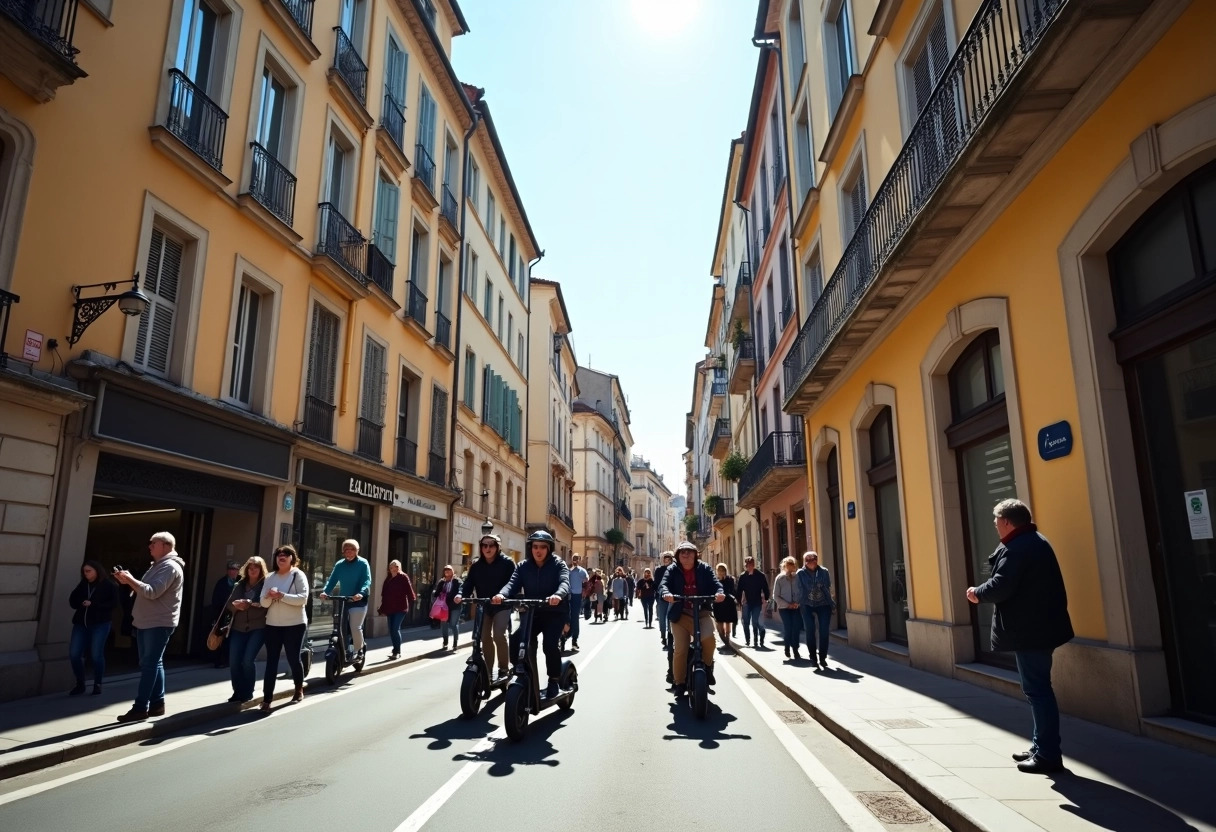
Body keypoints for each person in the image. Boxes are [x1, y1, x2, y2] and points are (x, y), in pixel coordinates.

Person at [967, 498, 1073, 774]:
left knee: (1037, 690)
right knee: (1037, 689)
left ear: (1005, 521)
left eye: (995, 522)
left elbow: (1002, 585)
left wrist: (977, 593)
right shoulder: (1034, 541)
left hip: (1032, 631)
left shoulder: (1018, 547)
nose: (994, 527)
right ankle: (1040, 746)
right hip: (1038, 627)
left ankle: (1048, 755)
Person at [112, 531, 185, 722]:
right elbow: (145, 591)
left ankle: (140, 707)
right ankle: (157, 704)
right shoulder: (159, 566)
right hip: (149, 621)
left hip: (158, 622)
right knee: (152, 663)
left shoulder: (169, 567)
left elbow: (152, 592)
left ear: (166, 546)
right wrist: (128, 583)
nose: (149, 546)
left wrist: (130, 579)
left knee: (149, 664)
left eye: (153, 543)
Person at [493, 530, 570, 699]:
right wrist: (501, 595)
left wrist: (558, 595)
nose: (538, 550)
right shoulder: (523, 566)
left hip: (554, 613)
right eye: (535, 546)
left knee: (549, 645)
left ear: (549, 548)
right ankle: (524, 672)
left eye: (543, 547)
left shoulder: (559, 564)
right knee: (517, 640)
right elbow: (511, 584)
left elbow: (565, 582)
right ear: (531, 548)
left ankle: (554, 680)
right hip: (533, 613)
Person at [660, 541, 725, 693]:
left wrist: (719, 592)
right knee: (680, 649)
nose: (686, 554)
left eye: (689, 551)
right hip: (680, 615)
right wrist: (666, 593)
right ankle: (679, 682)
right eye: (682, 552)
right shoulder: (672, 569)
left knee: (709, 639)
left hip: (701, 612)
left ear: (696, 555)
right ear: (678, 556)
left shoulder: (704, 568)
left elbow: (716, 583)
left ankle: (708, 667)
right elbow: (664, 584)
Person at [454, 533, 515, 676]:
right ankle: (488, 671)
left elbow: (513, 584)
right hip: (484, 605)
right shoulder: (476, 565)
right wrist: (460, 594)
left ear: (498, 547)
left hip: (502, 605)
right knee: (484, 637)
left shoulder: (507, 563)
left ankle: (504, 669)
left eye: (491, 545)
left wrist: (503, 596)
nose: (487, 548)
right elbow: (469, 583)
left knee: (499, 635)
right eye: (484, 545)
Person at [261, 544, 310, 710]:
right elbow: (263, 602)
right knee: (271, 662)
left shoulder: (298, 575)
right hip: (272, 624)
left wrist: (281, 596)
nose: (281, 556)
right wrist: (268, 596)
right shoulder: (269, 577)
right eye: (279, 554)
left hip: (294, 624)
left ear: (292, 558)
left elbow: (303, 599)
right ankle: (267, 699)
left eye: (286, 554)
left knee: (293, 658)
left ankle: (298, 688)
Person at [67, 560, 118, 696]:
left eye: (89, 571)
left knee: (96, 654)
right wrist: (81, 603)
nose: (86, 574)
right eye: (84, 571)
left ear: (97, 571)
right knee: (74, 654)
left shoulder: (108, 585)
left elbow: (114, 604)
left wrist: (94, 604)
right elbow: (72, 600)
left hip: (100, 624)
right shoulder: (83, 584)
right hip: (81, 624)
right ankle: (80, 683)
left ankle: (98, 683)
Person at [319, 539, 372, 662]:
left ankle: (359, 649)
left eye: (352, 550)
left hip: (358, 600)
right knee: (341, 627)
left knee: (355, 627)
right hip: (344, 601)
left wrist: (361, 593)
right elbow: (332, 580)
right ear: (343, 552)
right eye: (346, 550)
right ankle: (346, 650)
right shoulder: (340, 565)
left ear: (357, 551)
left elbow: (367, 581)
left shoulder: (363, 563)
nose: (349, 553)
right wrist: (325, 592)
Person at [225, 556, 268, 703]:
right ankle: (238, 692)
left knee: (247, 660)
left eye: (256, 567)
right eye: (250, 567)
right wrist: (236, 605)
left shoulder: (265, 585)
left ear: (261, 569)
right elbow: (229, 604)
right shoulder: (240, 584)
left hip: (258, 627)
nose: (253, 570)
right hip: (238, 627)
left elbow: (266, 604)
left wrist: (251, 604)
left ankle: (248, 691)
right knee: (234, 661)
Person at [797, 551, 835, 670]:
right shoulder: (800, 573)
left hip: (823, 604)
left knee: (824, 631)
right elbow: (798, 589)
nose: (811, 562)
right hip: (806, 604)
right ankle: (813, 657)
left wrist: (831, 602)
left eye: (813, 559)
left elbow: (828, 587)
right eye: (808, 560)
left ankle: (822, 657)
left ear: (817, 560)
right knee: (810, 630)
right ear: (805, 562)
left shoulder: (824, 571)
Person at [378, 559, 416, 660]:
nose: (393, 569)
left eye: (395, 567)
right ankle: (395, 648)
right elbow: (384, 594)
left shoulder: (403, 577)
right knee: (391, 630)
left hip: (401, 607)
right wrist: (382, 608)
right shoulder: (388, 578)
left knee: (395, 628)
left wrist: (412, 599)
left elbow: (409, 589)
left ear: (398, 568)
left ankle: (397, 651)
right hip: (390, 607)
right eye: (391, 567)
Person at [209, 561, 240, 668]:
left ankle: (229, 660)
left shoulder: (240, 582)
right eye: (231, 569)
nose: (233, 572)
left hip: (236, 614)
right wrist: (215, 616)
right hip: (222, 613)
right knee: (220, 636)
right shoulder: (221, 582)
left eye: (235, 569)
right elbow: (215, 600)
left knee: (232, 638)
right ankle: (218, 661)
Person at [736, 556, 770, 647]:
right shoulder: (743, 576)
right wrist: (739, 602)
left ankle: (757, 638)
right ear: (745, 566)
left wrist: (766, 598)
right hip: (746, 602)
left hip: (756, 602)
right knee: (745, 622)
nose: (749, 567)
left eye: (751, 565)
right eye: (747, 565)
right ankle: (748, 640)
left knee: (755, 621)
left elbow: (765, 588)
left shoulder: (760, 575)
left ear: (754, 565)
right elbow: (739, 590)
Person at [773, 556, 802, 661]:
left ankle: (795, 649)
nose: (791, 568)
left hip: (796, 607)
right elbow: (775, 596)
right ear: (784, 566)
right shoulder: (780, 578)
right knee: (788, 627)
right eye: (788, 566)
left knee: (796, 628)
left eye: (793, 566)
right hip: (784, 608)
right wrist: (787, 604)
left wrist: (797, 603)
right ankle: (787, 647)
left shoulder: (799, 577)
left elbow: (802, 592)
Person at [433, 566, 462, 649]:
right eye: (445, 570)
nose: (447, 572)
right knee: (444, 624)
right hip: (444, 606)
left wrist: (459, 595)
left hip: (455, 606)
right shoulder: (442, 582)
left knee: (453, 624)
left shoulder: (457, 581)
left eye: (449, 570)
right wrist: (437, 593)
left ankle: (455, 643)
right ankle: (445, 642)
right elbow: (436, 593)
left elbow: (461, 589)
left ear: (452, 571)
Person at [565, 553, 588, 650]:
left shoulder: (582, 571)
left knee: (575, 618)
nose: (575, 560)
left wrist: (583, 588)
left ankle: (574, 639)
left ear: (579, 560)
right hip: (567, 596)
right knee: (565, 616)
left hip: (576, 596)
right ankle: (564, 636)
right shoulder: (568, 571)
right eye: (574, 559)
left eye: (576, 559)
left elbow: (586, 579)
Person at [712, 563, 738, 646]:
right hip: (718, 604)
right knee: (719, 622)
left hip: (728, 603)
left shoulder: (730, 579)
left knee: (727, 621)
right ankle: (722, 637)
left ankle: (727, 639)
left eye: (723, 570)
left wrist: (734, 599)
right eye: (719, 570)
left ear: (725, 571)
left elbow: (732, 591)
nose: (721, 572)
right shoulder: (715, 580)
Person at [654, 551, 674, 646]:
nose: (667, 561)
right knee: (662, 617)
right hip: (661, 597)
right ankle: (663, 635)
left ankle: (670, 635)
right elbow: (657, 584)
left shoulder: (675, 570)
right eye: (665, 559)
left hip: (673, 597)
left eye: (668, 559)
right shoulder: (658, 570)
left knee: (671, 617)